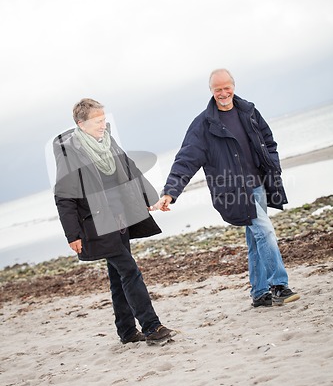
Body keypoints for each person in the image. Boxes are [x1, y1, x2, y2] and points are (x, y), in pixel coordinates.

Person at [152, 69, 300, 308]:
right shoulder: (203, 125)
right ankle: (279, 285)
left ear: (233, 85)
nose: (223, 93)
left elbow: (268, 141)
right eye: (217, 89)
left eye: (226, 87)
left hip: (258, 186)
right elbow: (186, 160)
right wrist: (170, 192)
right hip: (234, 193)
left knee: (255, 240)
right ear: (211, 91)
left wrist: (272, 164)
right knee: (266, 232)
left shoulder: (248, 111)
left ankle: (260, 293)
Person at [53, 98, 174, 343]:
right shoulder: (70, 153)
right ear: (81, 123)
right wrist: (72, 234)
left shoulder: (108, 141)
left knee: (119, 277)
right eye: (97, 120)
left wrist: (150, 199)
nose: (103, 124)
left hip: (122, 219)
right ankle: (152, 327)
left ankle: (127, 332)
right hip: (97, 224)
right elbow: (64, 196)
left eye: (104, 119)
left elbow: (130, 170)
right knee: (129, 271)